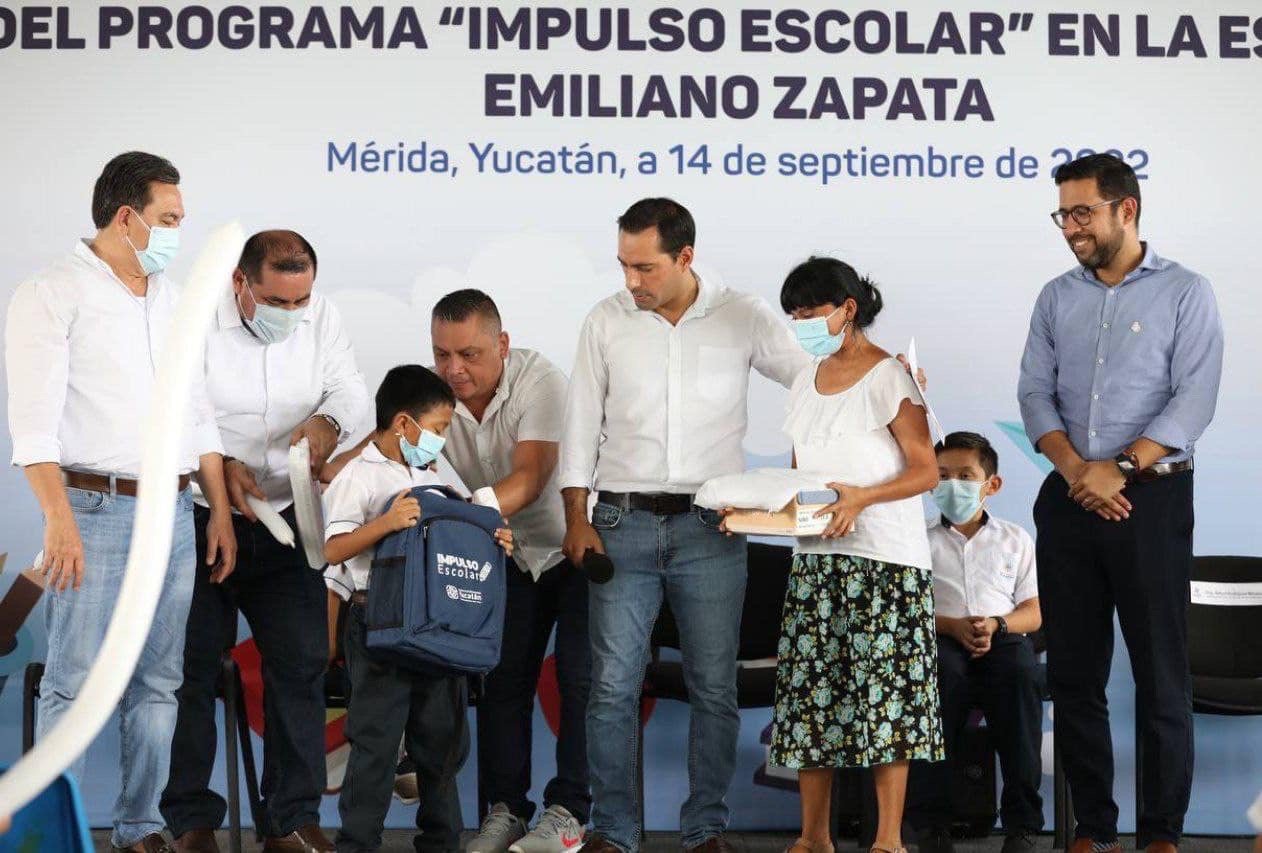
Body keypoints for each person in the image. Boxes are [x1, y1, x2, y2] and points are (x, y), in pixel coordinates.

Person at [559, 198, 807, 853]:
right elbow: (580, 423)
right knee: (611, 686)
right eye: (623, 265)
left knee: (714, 687)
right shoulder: (605, 320)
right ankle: (614, 830)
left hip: (711, 528)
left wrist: (883, 377)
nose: (631, 281)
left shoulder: (742, 314)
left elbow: (814, 379)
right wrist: (575, 516)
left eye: (644, 267)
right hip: (619, 522)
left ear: (685, 257)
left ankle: (705, 830)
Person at [4, 151, 233, 852]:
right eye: (170, 218)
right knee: (72, 683)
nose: (179, 232)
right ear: (127, 216)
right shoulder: (52, 293)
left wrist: (219, 510)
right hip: (92, 509)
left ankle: (141, 828)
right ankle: (50, 833)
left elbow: (198, 411)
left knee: (160, 680)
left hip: (175, 511)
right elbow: (33, 426)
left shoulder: (174, 298)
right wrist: (58, 519)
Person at [1018, 153, 1224, 853]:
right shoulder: (1056, 296)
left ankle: (1161, 833)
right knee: (1075, 673)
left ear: (1126, 209)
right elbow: (1033, 393)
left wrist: (1123, 467)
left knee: (1161, 673)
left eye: (1083, 212)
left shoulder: (1185, 291)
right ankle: (1095, 831)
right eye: (1062, 215)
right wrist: (1081, 471)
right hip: (1069, 497)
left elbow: (1194, 398)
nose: (1071, 228)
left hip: (1153, 499)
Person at [161, 230, 369, 852]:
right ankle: (190, 821)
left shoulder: (322, 316)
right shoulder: (192, 319)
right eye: (278, 302)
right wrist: (219, 467)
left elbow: (350, 390)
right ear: (240, 283)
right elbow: (174, 410)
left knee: (301, 665)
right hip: (203, 514)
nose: (293, 313)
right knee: (191, 667)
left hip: (286, 515)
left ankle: (290, 821)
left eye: (301, 300)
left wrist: (327, 423)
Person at [765, 256, 941, 853]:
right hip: (816, 562)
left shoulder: (891, 376)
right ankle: (813, 837)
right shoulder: (802, 381)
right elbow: (798, 474)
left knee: (886, 701)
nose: (802, 324)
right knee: (811, 702)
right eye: (794, 315)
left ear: (848, 308)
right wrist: (754, 511)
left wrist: (862, 498)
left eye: (811, 312)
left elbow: (926, 470)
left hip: (887, 565)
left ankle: (887, 840)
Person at [323, 365, 511, 853]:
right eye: (438, 428)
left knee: (440, 746)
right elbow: (334, 549)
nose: (441, 441)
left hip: (435, 626)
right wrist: (386, 523)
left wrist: (493, 537)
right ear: (404, 423)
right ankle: (357, 845)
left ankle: (442, 843)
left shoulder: (433, 475)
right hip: (377, 624)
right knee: (375, 745)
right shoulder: (357, 476)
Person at [428, 290, 590, 853]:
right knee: (501, 682)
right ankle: (506, 813)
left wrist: (460, 516)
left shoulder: (541, 381)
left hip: (573, 548)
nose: (454, 369)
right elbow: (386, 452)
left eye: (469, 354)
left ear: (502, 344)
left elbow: (532, 477)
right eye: (442, 354)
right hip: (507, 555)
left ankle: (569, 814)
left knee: (579, 683)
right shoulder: (433, 394)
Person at [907, 431, 1042, 853]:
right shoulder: (916, 540)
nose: (953, 485)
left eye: (965, 476)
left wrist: (997, 624)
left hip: (1002, 638)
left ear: (991, 484)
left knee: (1021, 675)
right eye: (943, 475)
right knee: (938, 678)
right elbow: (906, 611)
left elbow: (1034, 612)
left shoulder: (1015, 538)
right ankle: (931, 825)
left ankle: (1022, 826)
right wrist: (952, 626)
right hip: (941, 638)